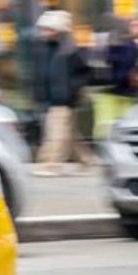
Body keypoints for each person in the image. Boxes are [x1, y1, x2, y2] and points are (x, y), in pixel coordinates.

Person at [31, 10, 91, 174]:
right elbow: (39, 73)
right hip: (50, 97)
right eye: (44, 29)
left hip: (64, 99)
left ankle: (51, 164)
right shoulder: (41, 48)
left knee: (56, 132)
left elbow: (84, 73)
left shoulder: (71, 50)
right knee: (70, 134)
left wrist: (71, 90)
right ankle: (87, 160)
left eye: (49, 29)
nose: (45, 32)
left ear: (59, 30)